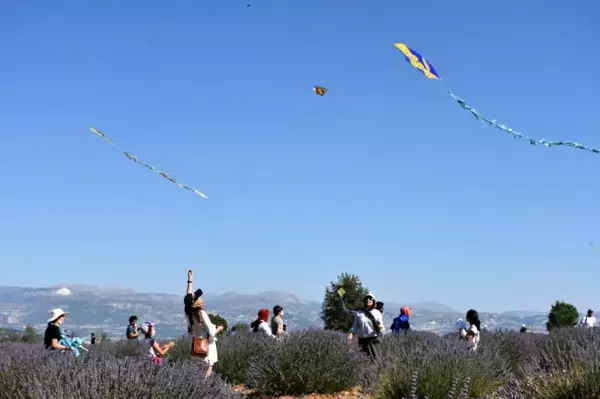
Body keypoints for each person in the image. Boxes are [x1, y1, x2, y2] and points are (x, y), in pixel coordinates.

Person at [184, 269, 224, 377]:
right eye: (198, 298)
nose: (201, 298)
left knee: (198, 370)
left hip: (196, 344)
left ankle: (196, 388)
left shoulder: (188, 311)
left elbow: (188, 297)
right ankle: (202, 388)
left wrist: (190, 280)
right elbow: (211, 332)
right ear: (196, 303)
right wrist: (219, 328)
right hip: (207, 345)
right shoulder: (201, 313)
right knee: (208, 368)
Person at [347, 293, 384, 361]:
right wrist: (351, 334)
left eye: (370, 298)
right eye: (366, 298)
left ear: (373, 301)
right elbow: (355, 326)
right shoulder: (360, 313)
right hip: (363, 341)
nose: (368, 300)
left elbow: (382, 327)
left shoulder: (377, 312)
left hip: (374, 340)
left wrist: (380, 327)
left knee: (376, 361)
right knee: (364, 362)